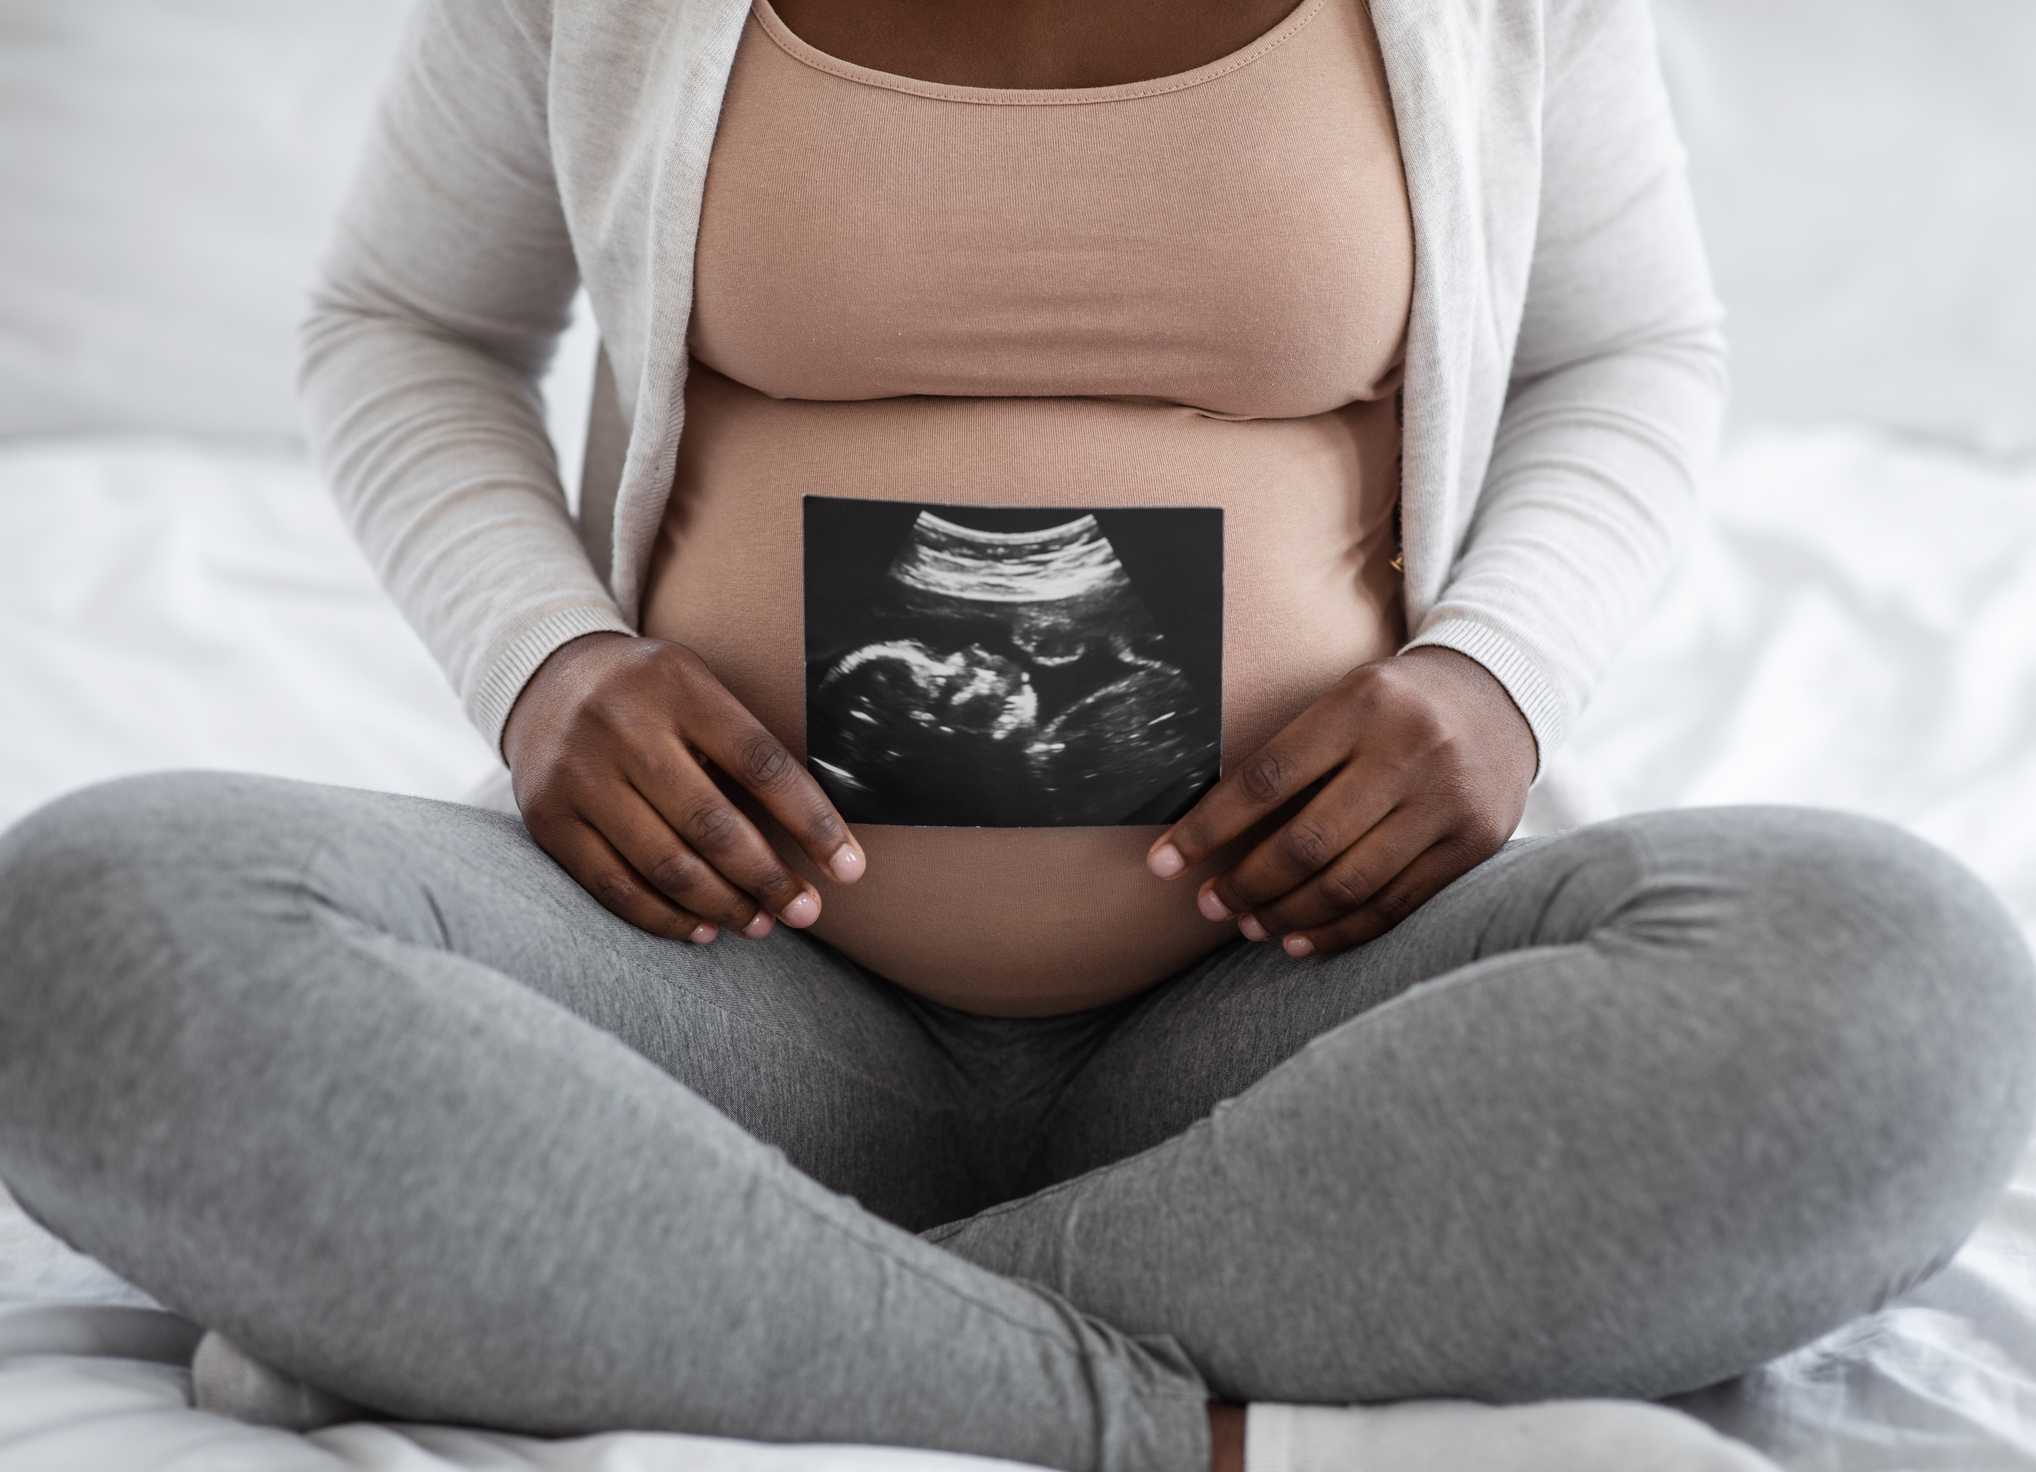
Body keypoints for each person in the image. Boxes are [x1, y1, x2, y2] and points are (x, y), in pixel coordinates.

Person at [1, 0, 2032, 1468]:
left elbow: (1631, 350)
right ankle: (1172, 1424)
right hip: (711, 988)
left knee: (1900, 984)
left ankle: (625, 1298)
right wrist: (545, 667)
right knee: (98, 925)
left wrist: (1496, 672)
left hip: (1302, 1017)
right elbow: (404, 325)